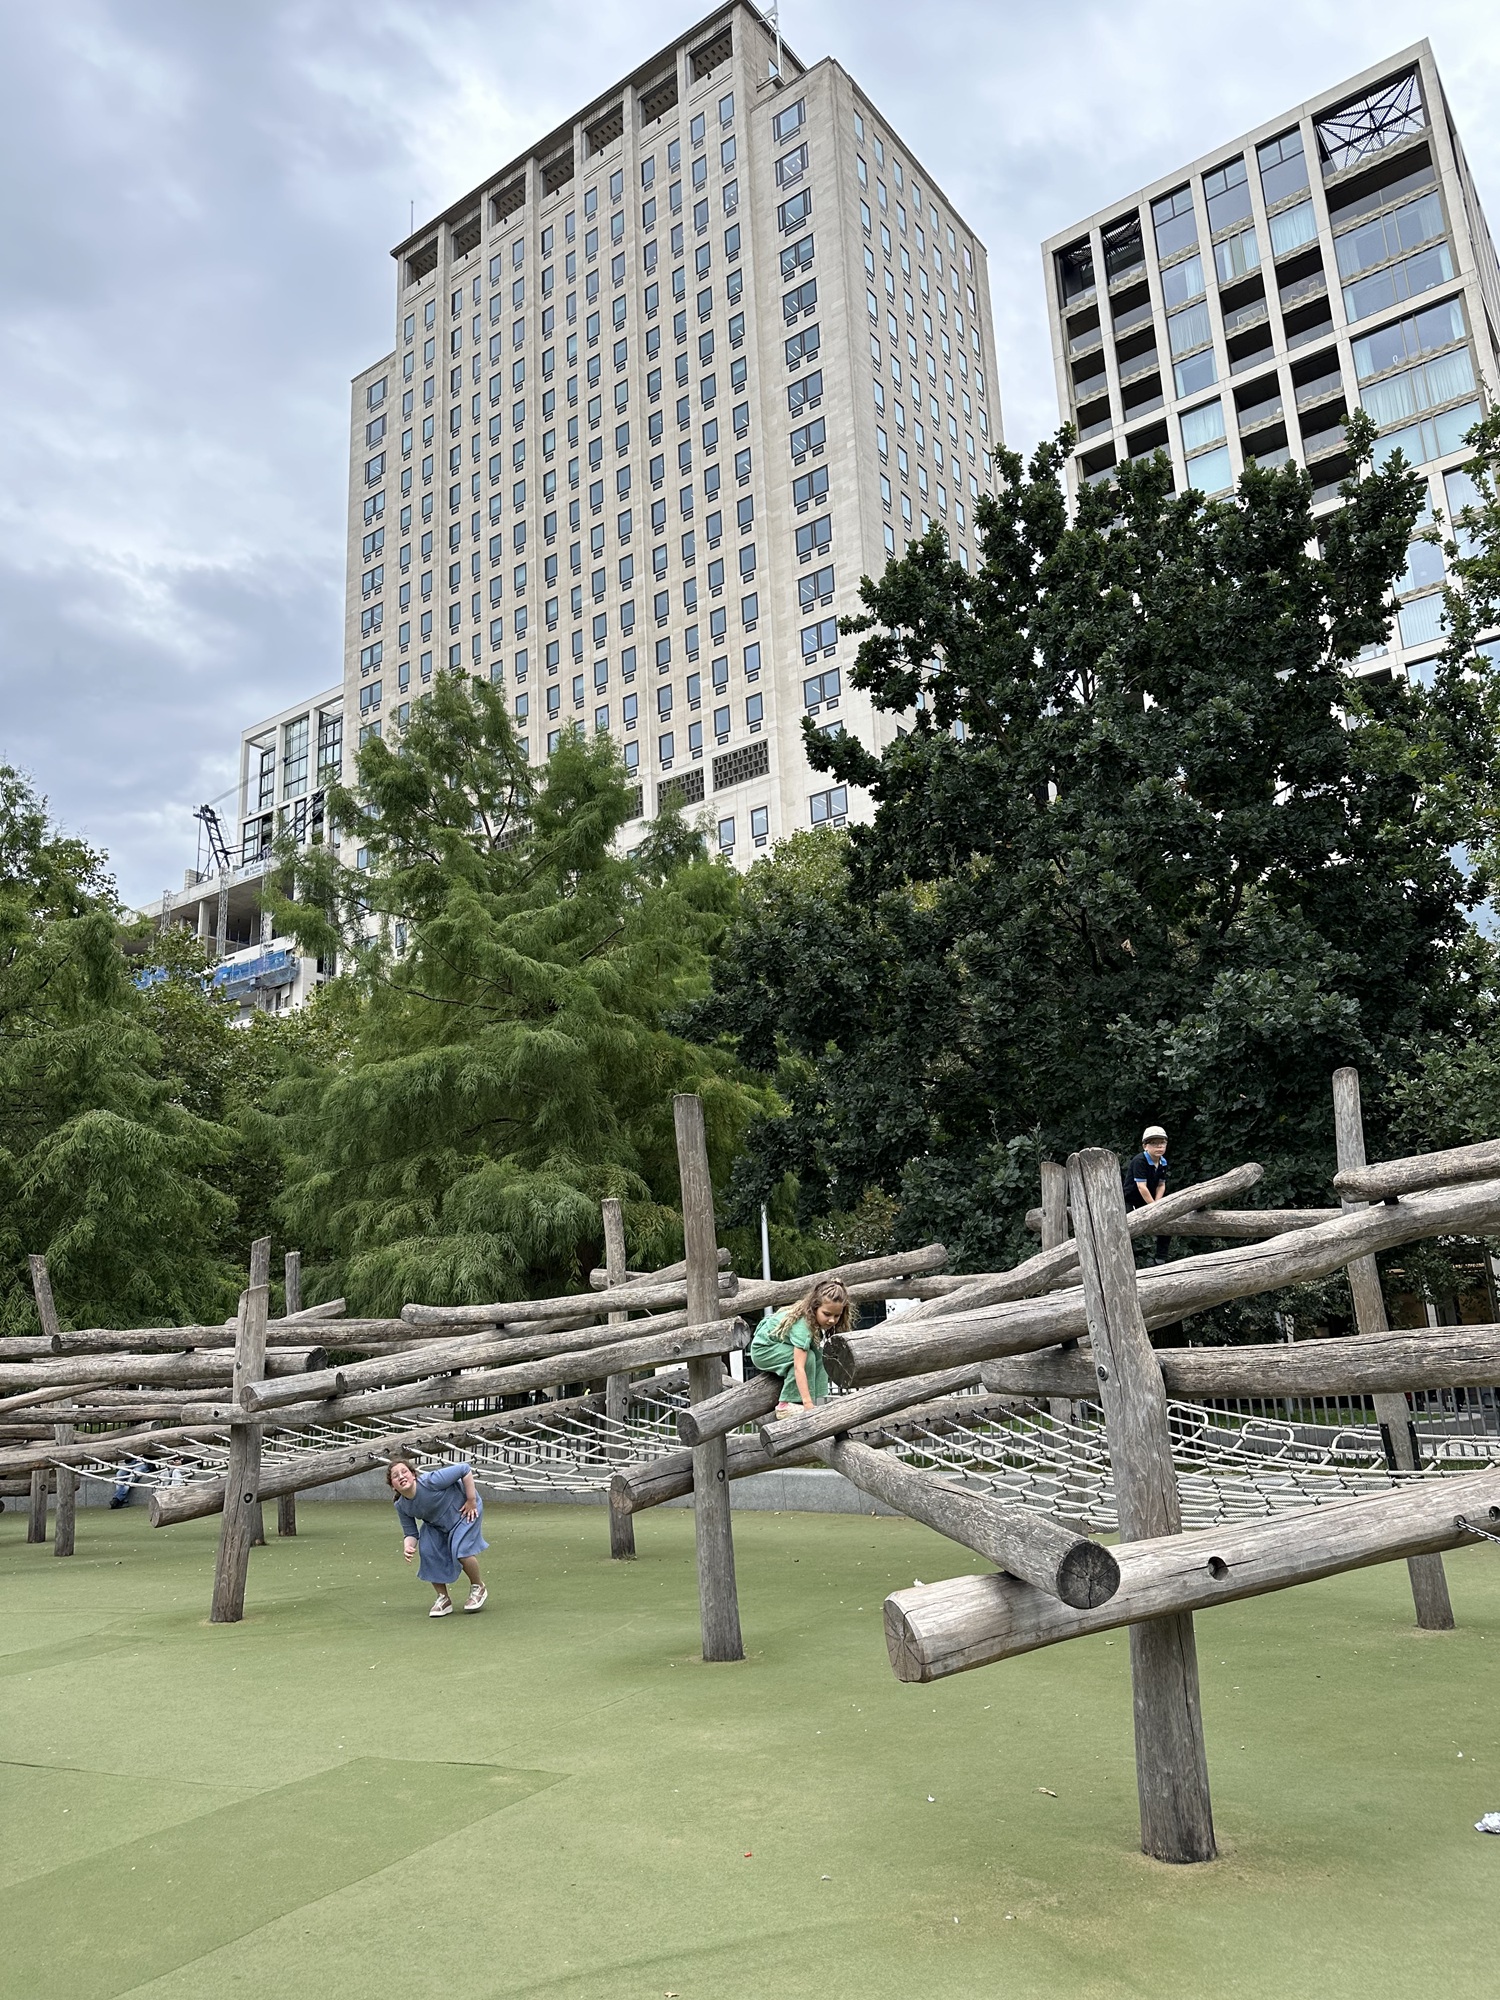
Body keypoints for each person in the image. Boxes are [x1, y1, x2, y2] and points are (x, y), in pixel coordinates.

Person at [387, 1458, 488, 1617]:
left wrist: (471, 1500)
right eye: (395, 1476)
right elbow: (411, 1533)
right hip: (437, 1524)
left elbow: (464, 1469)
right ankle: (443, 1598)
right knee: (427, 1550)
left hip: (464, 1511)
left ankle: (478, 1587)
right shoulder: (401, 1505)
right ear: (393, 1486)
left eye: (404, 1471)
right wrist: (408, 1546)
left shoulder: (430, 1481)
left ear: (413, 1475)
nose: (401, 1476)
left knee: (461, 1550)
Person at [748, 1279, 853, 1418]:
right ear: (815, 1307)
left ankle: (819, 1400)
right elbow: (799, 1367)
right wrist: (807, 1403)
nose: (832, 1320)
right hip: (764, 1350)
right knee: (808, 1358)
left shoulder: (813, 1321)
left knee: (822, 1356)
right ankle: (787, 1404)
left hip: (781, 1346)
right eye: (827, 1314)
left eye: (837, 1315)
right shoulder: (802, 1326)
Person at [1124, 1124, 1171, 1264]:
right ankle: (1128, 1260)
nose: (1159, 1147)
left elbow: (1161, 1185)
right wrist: (1152, 1206)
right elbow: (1141, 1187)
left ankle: (1161, 1257)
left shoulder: (1162, 1162)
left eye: (1162, 1143)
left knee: (1168, 1220)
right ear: (1145, 1146)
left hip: (1150, 1200)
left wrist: (1157, 1204)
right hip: (1131, 1200)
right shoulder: (1140, 1161)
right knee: (1125, 1228)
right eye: (1154, 1143)